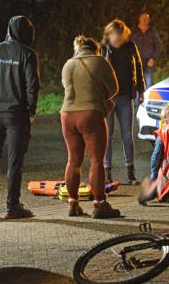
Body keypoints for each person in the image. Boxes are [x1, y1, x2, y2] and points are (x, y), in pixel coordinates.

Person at [0, 15, 40, 219]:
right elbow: (33, 87)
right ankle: (12, 207)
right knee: (15, 162)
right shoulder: (28, 54)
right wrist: (31, 111)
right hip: (17, 116)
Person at [61, 35, 120, 219]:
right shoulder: (100, 61)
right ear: (96, 49)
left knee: (73, 161)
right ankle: (99, 204)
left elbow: (66, 86)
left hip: (67, 115)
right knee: (96, 161)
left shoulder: (68, 64)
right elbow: (114, 89)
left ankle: (73, 204)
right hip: (90, 114)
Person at [101, 19, 145, 185]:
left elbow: (139, 67)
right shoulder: (103, 48)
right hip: (107, 98)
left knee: (127, 136)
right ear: (109, 35)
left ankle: (130, 173)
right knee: (107, 136)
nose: (118, 40)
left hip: (126, 96)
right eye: (115, 37)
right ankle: (106, 173)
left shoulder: (130, 46)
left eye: (121, 36)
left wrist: (141, 90)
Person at [131, 13, 162, 89]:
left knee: (147, 80)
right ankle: (135, 99)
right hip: (136, 60)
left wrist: (153, 58)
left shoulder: (153, 31)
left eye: (147, 19)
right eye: (143, 19)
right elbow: (128, 45)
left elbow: (159, 46)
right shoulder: (134, 31)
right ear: (140, 19)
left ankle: (146, 99)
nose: (145, 21)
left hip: (148, 61)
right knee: (135, 80)